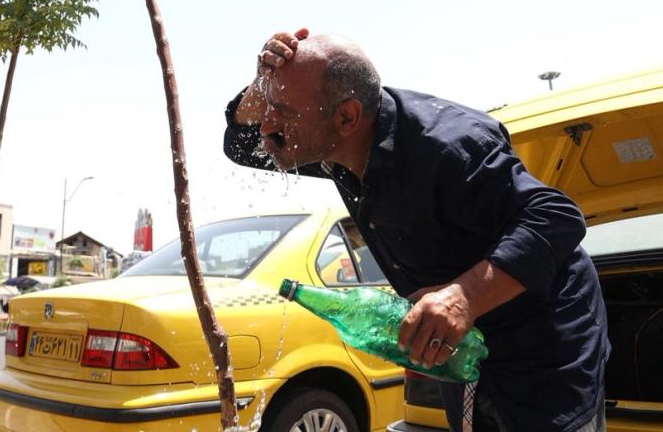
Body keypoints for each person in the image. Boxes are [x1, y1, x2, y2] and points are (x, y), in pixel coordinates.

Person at [224, 29, 609, 432]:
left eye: (282, 111)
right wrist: (263, 81)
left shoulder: (447, 146)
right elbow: (241, 143)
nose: (268, 124)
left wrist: (463, 297)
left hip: (544, 342)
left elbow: (557, 216)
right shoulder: (333, 143)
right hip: (460, 344)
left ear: (346, 117)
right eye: (269, 106)